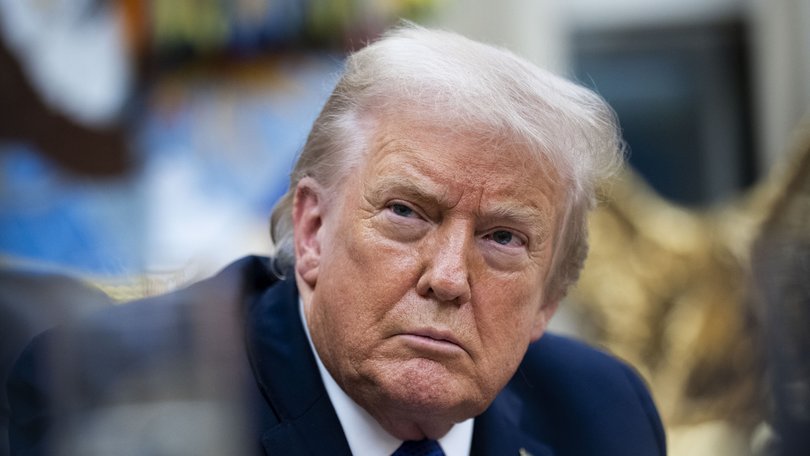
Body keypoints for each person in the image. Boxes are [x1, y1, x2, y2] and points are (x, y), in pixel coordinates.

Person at [7, 25, 666, 455]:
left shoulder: (604, 416)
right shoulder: (127, 394)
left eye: (501, 238)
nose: (448, 277)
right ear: (312, 230)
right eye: (408, 212)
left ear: (547, 301)